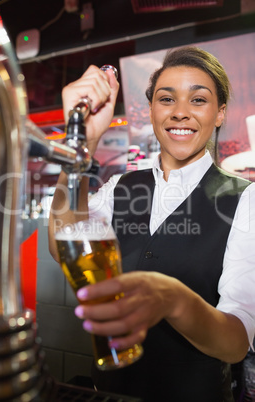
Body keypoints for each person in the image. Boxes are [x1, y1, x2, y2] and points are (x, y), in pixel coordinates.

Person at [48, 47, 255, 402]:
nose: (180, 112)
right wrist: (85, 140)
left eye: (199, 100)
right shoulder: (121, 187)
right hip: (110, 393)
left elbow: (235, 343)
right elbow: (61, 243)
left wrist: (173, 299)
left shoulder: (245, 200)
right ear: (151, 111)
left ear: (220, 114)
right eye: (166, 98)